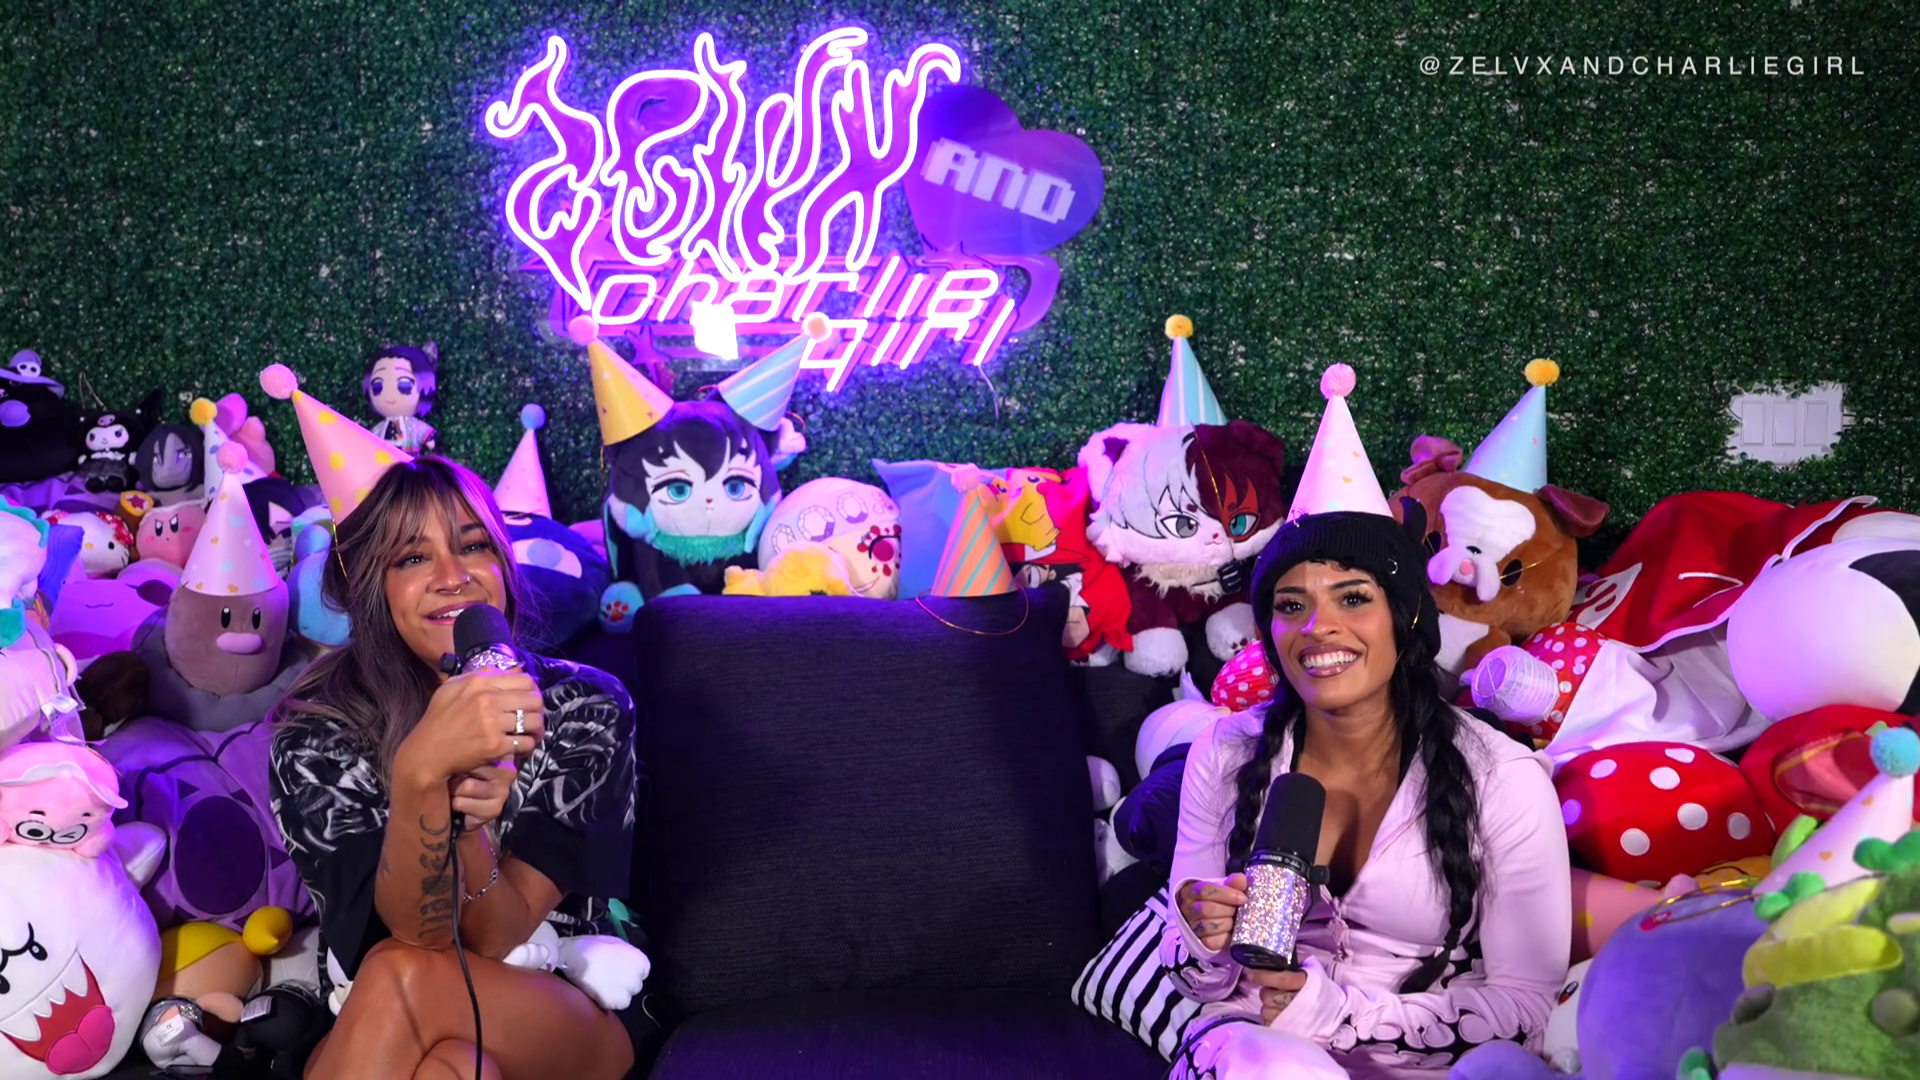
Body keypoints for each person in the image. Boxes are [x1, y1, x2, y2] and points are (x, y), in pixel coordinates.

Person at [1162, 499, 1571, 1079]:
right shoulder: (1225, 752)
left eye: (1352, 598)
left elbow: (1528, 1011)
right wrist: (1199, 935)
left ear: (1405, 616)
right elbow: (1195, 982)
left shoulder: (1503, 778)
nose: (1317, 626)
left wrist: (1337, 1017)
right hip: (1251, 1048)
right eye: (1291, 605)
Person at [268, 456, 645, 1080]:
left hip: (572, 1000)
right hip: (389, 1016)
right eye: (413, 558)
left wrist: (465, 820)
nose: (452, 577)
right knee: (451, 1068)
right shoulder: (315, 737)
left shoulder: (586, 707)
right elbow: (413, 935)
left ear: (503, 565)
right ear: (372, 587)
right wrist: (422, 775)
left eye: (473, 547)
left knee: (402, 977)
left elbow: (492, 940)